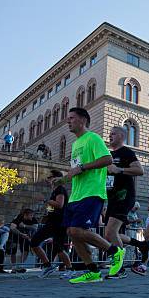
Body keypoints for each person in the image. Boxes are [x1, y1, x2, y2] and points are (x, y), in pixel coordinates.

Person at [56, 107, 125, 284]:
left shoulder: (93, 138)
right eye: (68, 118)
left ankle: (114, 252)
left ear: (83, 120)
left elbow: (107, 159)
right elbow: (77, 168)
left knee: (77, 230)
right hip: (76, 195)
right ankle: (92, 271)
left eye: (71, 118)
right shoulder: (75, 144)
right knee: (73, 233)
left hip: (92, 192)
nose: (68, 121)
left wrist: (81, 168)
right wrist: (63, 179)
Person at [103, 126, 145, 279]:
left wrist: (119, 170)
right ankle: (134, 249)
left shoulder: (126, 152)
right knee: (109, 235)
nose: (110, 136)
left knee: (110, 232)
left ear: (121, 136)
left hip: (124, 195)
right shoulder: (108, 155)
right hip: (112, 198)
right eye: (110, 134)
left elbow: (140, 170)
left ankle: (119, 269)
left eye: (113, 133)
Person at [31, 170, 74, 278]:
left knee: (57, 247)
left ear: (56, 178)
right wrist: (48, 211)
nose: (48, 180)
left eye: (49, 178)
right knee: (36, 242)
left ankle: (69, 269)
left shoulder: (60, 189)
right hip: (53, 221)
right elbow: (52, 208)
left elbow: (60, 205)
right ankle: (48, 265)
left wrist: (45, 200)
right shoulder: (54, 191)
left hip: (58, 222)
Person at [8, 209, 39, 273]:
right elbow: (12, 227)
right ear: (25, 215)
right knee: (13, 250)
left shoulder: (33, 219)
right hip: (15, 235)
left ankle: (19, 266)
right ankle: (13, 267)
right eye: (30, 215)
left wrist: (24, 226)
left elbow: (35, 227)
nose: (32, 217)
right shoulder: (18, 217)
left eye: (32, 215)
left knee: (26, 250)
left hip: (26, 236)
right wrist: (21, 234)